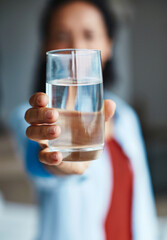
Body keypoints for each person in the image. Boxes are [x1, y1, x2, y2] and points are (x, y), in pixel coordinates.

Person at [10, 0, 158, 239]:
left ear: (108, 45)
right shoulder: (30, 117)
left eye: (89, 35)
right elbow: (40, 165)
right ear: (45, 47)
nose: (76, 49)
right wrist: (57, 161)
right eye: (61, 35)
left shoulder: (126, 116)